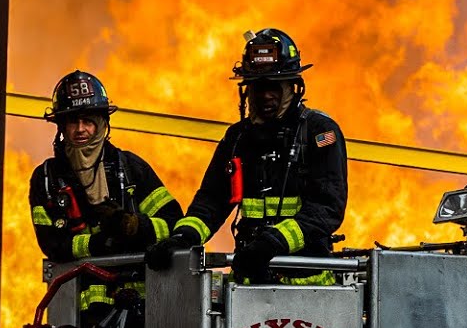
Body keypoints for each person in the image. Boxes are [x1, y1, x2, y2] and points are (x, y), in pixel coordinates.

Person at [28, 70, 183, 328]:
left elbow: (174, 223)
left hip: (141, 315)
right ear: (61, 127)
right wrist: (103, 246)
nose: (81, 130)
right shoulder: (47, 179)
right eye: (72, 122)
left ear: (103, 123)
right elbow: (51, 243)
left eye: (89, 120)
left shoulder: (130, 169)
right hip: (80, 319)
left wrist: (134, 227)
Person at [145, 28, 347, 285]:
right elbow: (212, 200)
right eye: (257, 87)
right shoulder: (238, 138)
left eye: (274, 86)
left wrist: (273, 242)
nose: (265, 96)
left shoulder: (318, 132)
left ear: (292, 87)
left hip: (307, 283)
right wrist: (184, 237)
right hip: (249, 278)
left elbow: (327, 207)